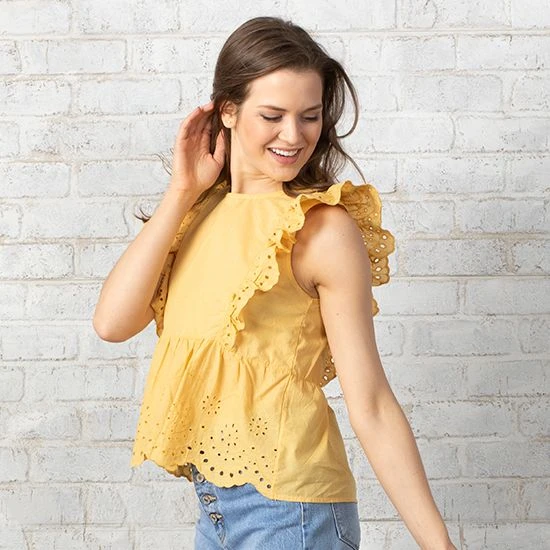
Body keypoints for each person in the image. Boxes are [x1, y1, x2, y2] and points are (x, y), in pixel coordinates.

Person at [93, 16, 457, 550]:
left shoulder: (320, 228)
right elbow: (111, 323)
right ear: (228, 111)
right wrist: (181, 191)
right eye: (273, 115)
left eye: (310, 116)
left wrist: (438, 545)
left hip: (293, 514)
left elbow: (372, 402)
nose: (294, 136)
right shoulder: (198, 213)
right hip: (215, 511)